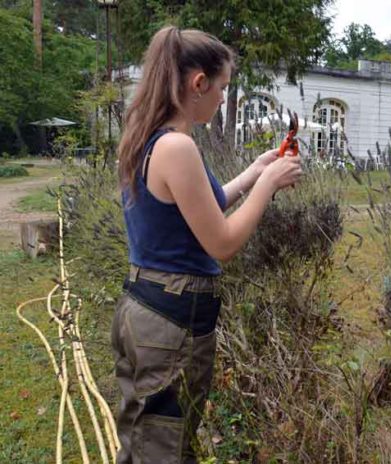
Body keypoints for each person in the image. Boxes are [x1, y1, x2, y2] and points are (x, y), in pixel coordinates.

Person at [112, 26, 302, 463]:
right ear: (199, 83)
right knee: (166, 450)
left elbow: (199, 210)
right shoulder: (178, 147)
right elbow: (222, 241)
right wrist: (269, 185)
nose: (222, 99)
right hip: (170, 323)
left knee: (146, 439)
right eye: (222, 88)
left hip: (144, 308)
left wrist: (254, 173)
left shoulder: (148, 136)